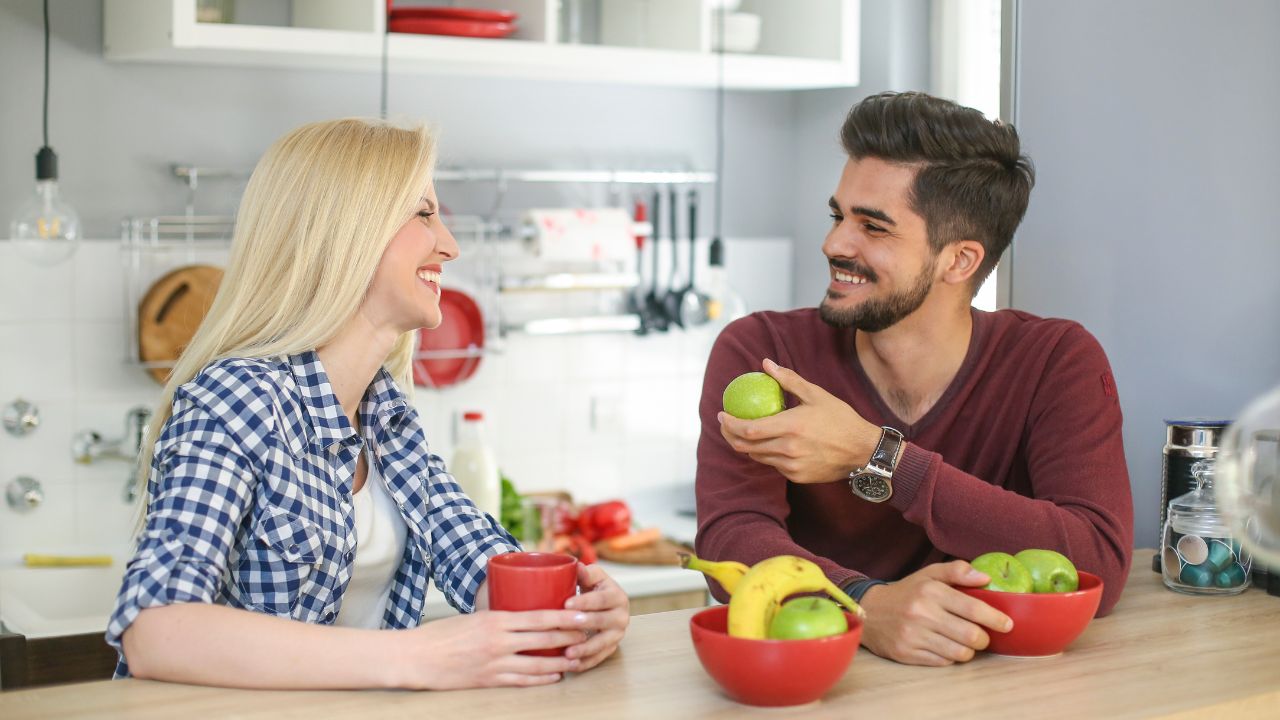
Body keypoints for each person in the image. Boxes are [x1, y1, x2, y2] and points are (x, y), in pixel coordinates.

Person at [106, 118, 629, 689]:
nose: (448, 245)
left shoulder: (386, 415)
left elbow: (478, 562)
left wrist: (578, 607)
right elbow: (155, 632)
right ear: (346, 231)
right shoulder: (237, 399)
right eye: (424, 213)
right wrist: (416, 657)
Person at [695, 91, 1133, 667]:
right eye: (838, 216)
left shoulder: (1055, 360)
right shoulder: (764, 351)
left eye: (873, 227)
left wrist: (878, 457)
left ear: (960, 261)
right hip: (820, 682)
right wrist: (864, 604)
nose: (834, 244)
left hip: (1002, 692)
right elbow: (732, 537)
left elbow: (1096, 560)